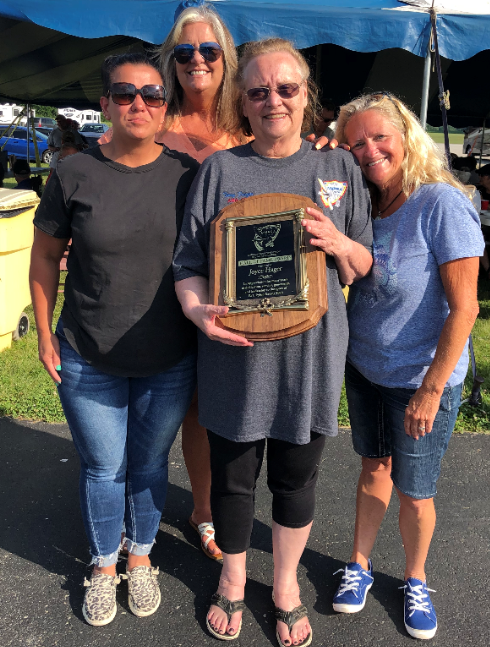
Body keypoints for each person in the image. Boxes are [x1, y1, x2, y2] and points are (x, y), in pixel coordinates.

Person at [173, 38, 373, 645]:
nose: (273, 100)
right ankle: (233, 581)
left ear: (307, 95)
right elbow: (188, 263)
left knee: (295, 480)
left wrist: (339, 245)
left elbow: (366, 261)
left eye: (286, 88)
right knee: (234, 482)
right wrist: (198, 313)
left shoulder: (337, 168)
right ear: (242, 99)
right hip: (234, 357)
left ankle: (285, 584)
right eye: (258, 90)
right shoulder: (220, 171)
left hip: (311, 360)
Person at [29, 52, 199, 627]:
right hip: (87, 351)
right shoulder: (73, 173)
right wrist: (44, 332)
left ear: (165, 105)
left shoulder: (186, 175)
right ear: (104, 102)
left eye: (152, 95)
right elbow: (46, 258)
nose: (139, 104)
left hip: (168, 356)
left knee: (150, 463)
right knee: (104, 467)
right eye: (125, 94)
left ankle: (142, 557)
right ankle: (104, 566)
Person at [332, 93, 484, 640]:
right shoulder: (366, 202)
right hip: (366, 370)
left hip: (421, 380)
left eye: (378, 137)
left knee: (415, 490)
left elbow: (465, 307)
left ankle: (415, 577)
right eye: (355, 143)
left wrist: (431, 388)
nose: (369, 150)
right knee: (373, 468)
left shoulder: (440, 202)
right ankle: (359, 564)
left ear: (406, 135)